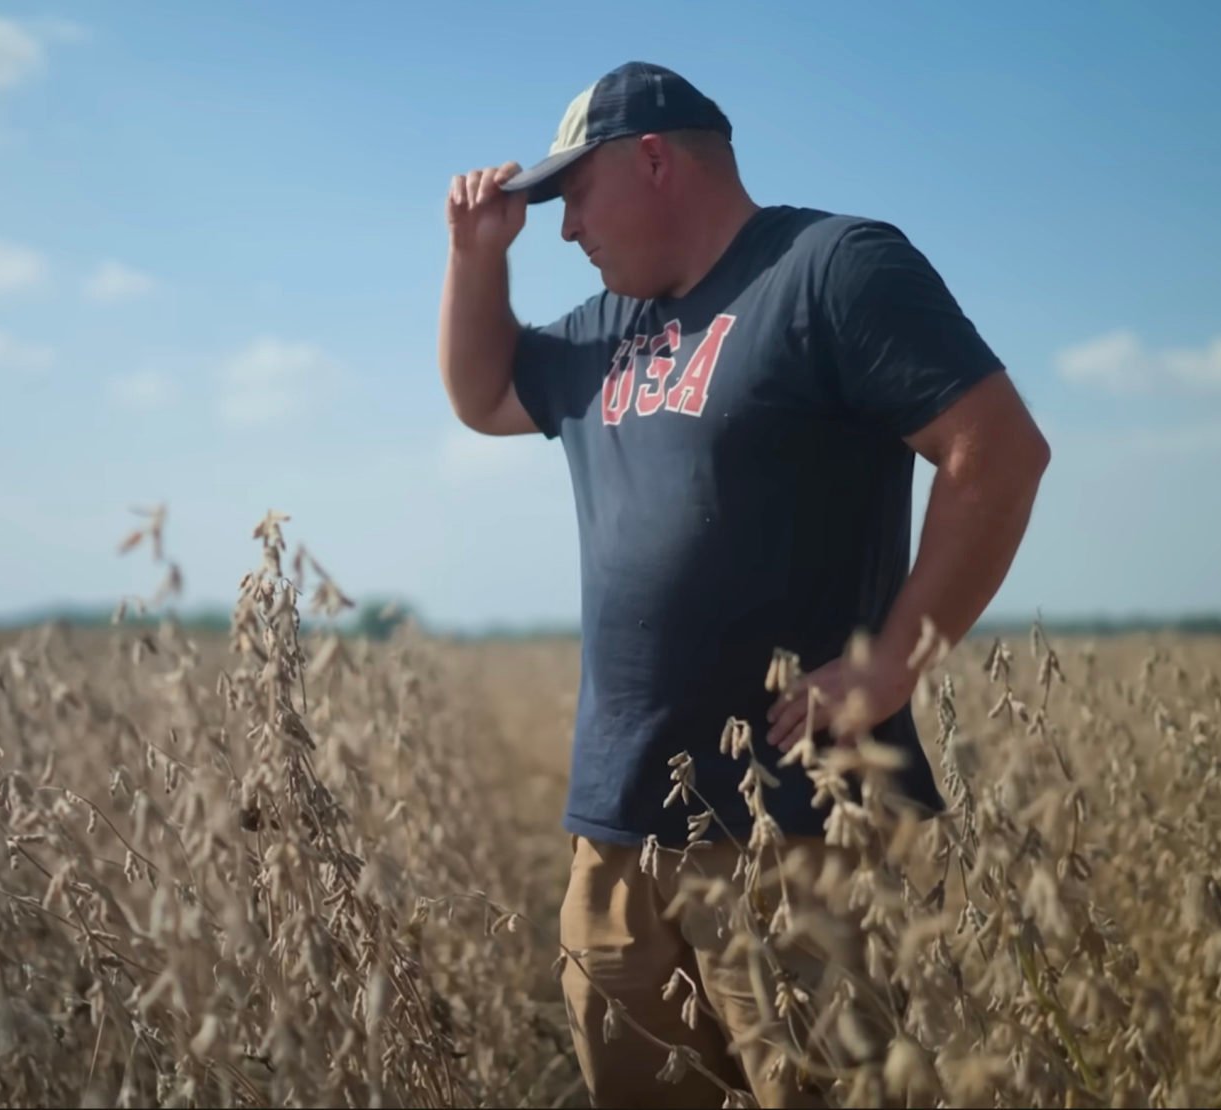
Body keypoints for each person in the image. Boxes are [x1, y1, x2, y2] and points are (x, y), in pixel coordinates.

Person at [438, 61, 1051, 1107]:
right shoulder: (604, 331)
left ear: (653, 160)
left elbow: (996, 451)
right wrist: (472, 259)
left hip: (793, 835)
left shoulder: (833, 270)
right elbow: (483, 395)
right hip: (617, 837)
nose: (566, 229)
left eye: (573, 195)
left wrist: (888, 669)